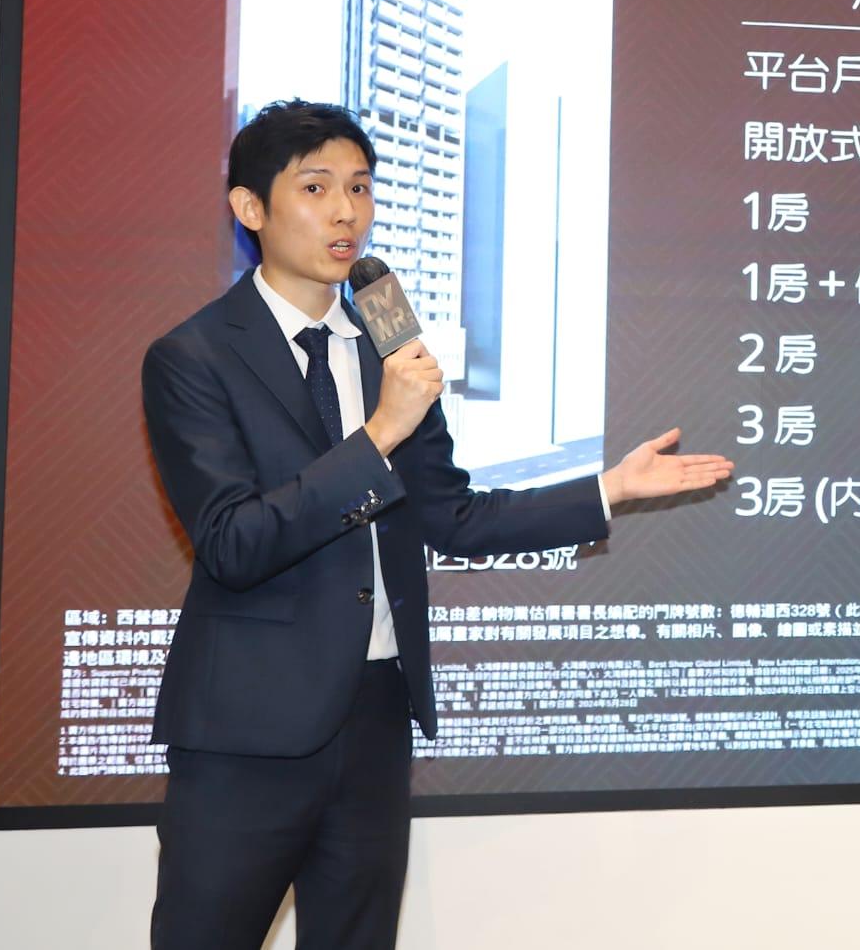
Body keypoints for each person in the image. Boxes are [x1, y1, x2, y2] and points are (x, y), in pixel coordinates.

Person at [141, 99, 731, 949]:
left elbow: (452, 516)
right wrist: (380, 430)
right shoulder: (193, 357)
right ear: (250, 207)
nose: (346, 212)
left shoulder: (387, 343)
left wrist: (607, 490)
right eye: (316, 187)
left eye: (360, 187)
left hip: (376, 717)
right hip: (247, 734)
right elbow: (234, 542)